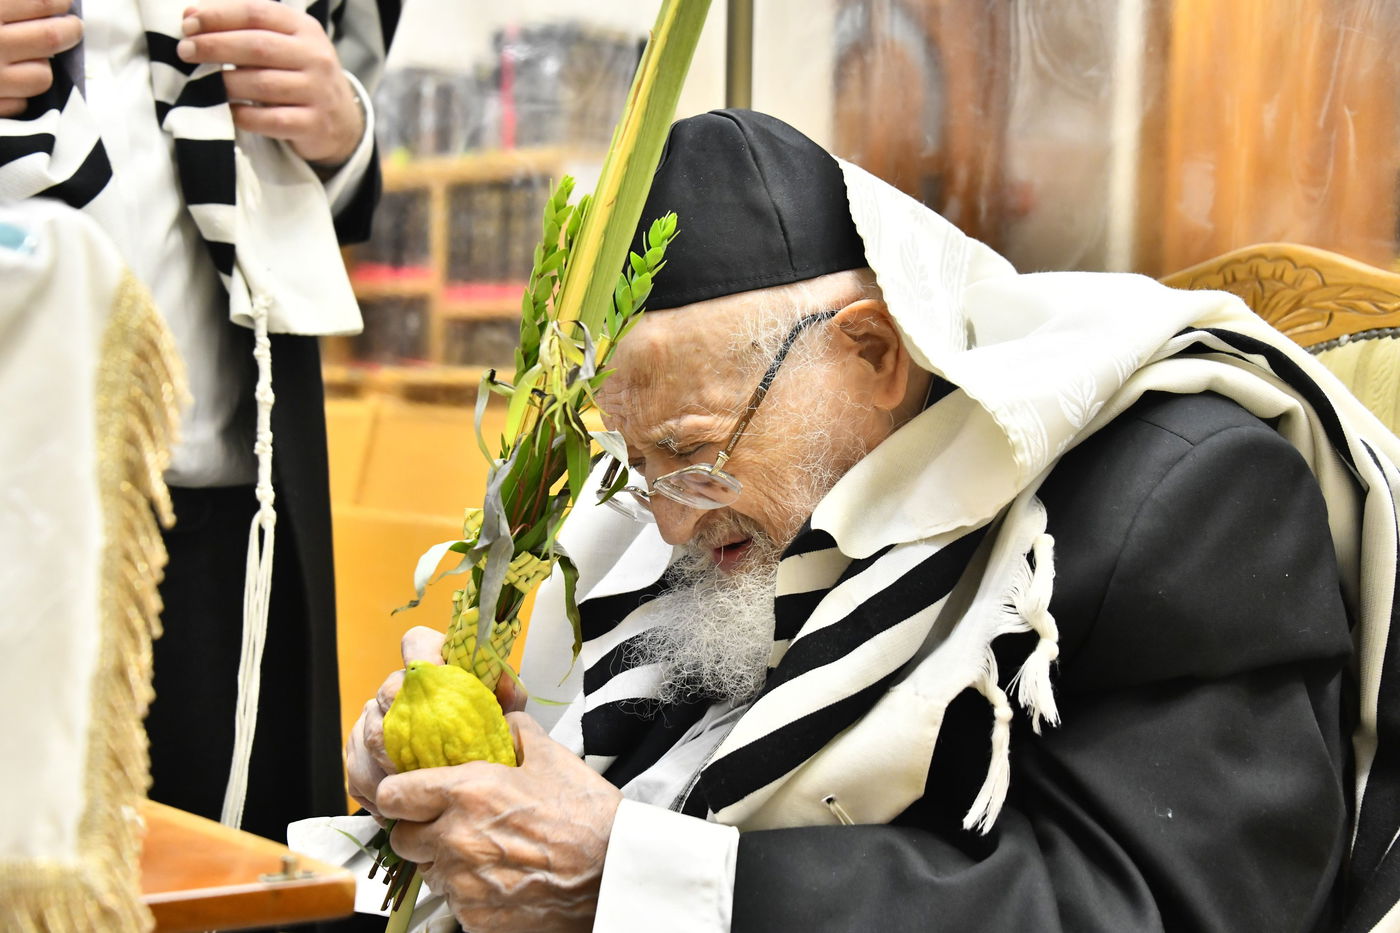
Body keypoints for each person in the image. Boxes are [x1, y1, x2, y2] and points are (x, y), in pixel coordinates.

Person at [343, 110, 1400, 931]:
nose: (664, 525)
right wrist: (471, 794)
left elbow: (1162, 909)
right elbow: (614, 774)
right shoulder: (740, 500)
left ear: (873, 352)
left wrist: (630, 875)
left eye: (694, 457)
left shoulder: (1184, 497)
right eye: (638, 464)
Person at [0, 0, 397, 843]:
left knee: (242, 861)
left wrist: (343, 126)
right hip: (19, 496)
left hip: (237, 522)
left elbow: (348, 72)